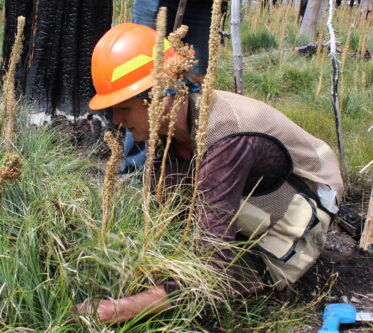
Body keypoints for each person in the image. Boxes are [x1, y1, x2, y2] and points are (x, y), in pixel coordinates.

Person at [76, 23, 344, 324]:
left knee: (239, 275)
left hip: (304, 199)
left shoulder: (227, 136)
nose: (117, 121)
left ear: (162, 96)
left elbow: (211, 269)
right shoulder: (165, 130)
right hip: (246, 186)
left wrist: (123, 308)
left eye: (123, 107)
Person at [121, 0, 215, 173]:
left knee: (194, 89)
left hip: (200, 6)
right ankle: (135, 173)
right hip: (155, 3)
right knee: (144, 88)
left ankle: (184, 174)